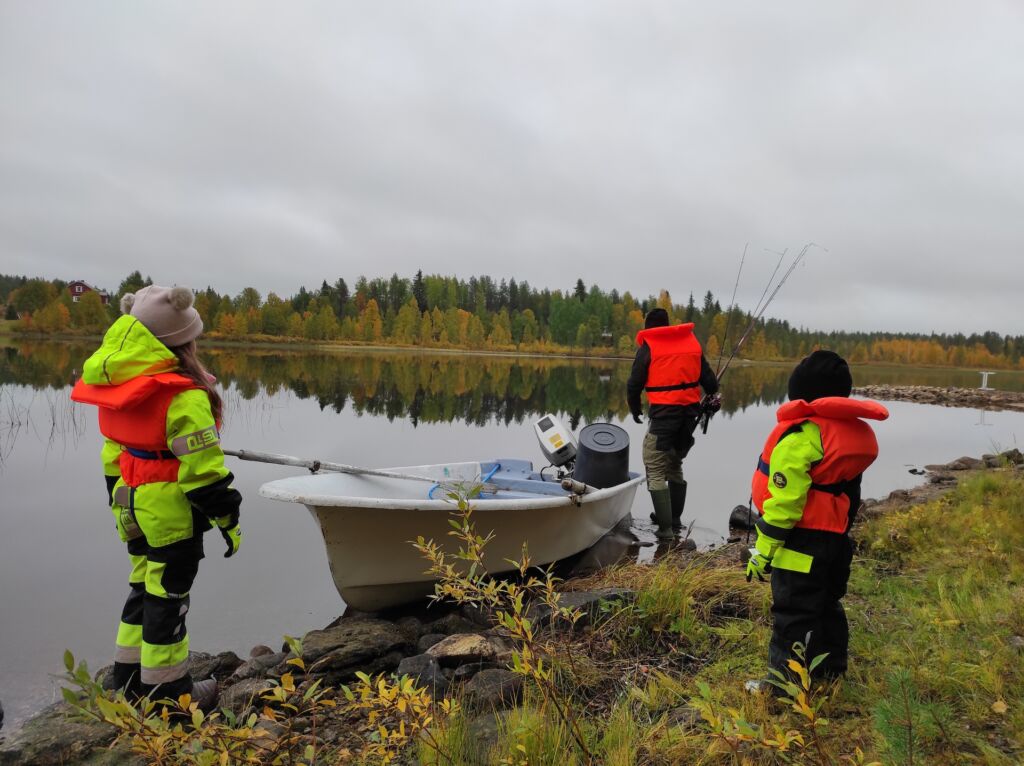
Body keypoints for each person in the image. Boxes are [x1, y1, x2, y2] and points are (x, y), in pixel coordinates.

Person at [71, 285, 242, 708]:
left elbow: (113, 452)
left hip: (127, 499)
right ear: (185, 340)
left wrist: (118, 502)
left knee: (144, 583)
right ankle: (170, 695)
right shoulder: (183, 395)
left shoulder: (123, 384)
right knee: (170, 596)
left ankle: (127, 677)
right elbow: (203, 476)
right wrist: (229, 521)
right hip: (168, 510)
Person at [745, 350, 888, 688]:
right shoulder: (848, 435)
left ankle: (783, 688)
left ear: (800, 393)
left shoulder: (800, 437)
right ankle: (830, 672)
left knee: (793, 614)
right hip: (835, 541)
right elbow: (848, 497)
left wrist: (763, 551)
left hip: (799, 543)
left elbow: (785, 504)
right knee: (826, 605)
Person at [627, 308, 719, 539]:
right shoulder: (691, 345)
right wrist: (709, 394)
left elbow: (634, 384)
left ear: (649, 328)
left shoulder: (649, 347)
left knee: (655, 468)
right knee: (675, 465)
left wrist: (635, 409)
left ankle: (666, 531)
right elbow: (711, 384)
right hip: (689, 418)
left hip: (663, 419)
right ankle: (673, 520)